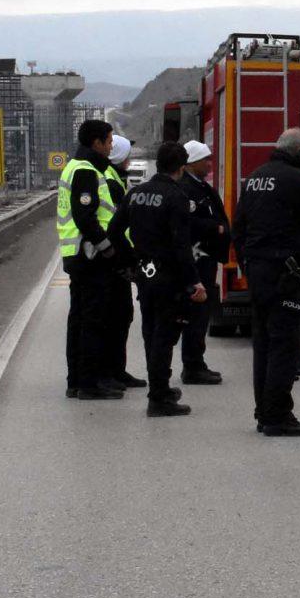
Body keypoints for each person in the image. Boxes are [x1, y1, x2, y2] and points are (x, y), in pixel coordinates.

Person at [230, 126, 300, 436]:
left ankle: (264, 409)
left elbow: (239, 225)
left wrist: (247, 261)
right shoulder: (297, 179)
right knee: (284, 344)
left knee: (263, 343)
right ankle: (277, 416)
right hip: (285, 271)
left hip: (258, 271)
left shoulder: (256, 177)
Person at [123, 142, 205, 417]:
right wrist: (194, 281)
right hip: (168, 276)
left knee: (150, 333)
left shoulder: (136, 193)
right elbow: (182, 245)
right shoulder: (176, 196)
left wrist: (130, 262)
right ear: (181, 168)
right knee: (165, 336)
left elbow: (114, 231)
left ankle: (160, 389)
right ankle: (159, 397)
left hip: (144, 273)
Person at [56, 119, 128, 399]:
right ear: (96, 142)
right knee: (93, 321)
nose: (111, 147)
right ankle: (89, 383)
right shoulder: (86, 171)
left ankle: (77, 380)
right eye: (109, 141)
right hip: (90, 256)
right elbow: (85, 217)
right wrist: (107, 247)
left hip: (79, 254)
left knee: (79, 320)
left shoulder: (75, 167)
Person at [179, 140, 229, 386]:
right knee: (195, 314)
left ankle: (197, 362)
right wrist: (215, 227)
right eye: (205, 160)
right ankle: (192, 365)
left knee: (201, 314)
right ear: (191, 163)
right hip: (197, 259)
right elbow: (188, 222)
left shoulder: (201, 187)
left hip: (206, 258)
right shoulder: (187, 189)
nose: (210, 164)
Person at [104, 134, 143, 389]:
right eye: (127, 154)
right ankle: (112, 371)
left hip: (118, 255)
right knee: (115, 317)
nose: (130, 158)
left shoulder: (115, 178)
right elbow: (116, 224)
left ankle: (118, 370)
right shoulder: (111, 182)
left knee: (122, 316)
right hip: (114, 257)